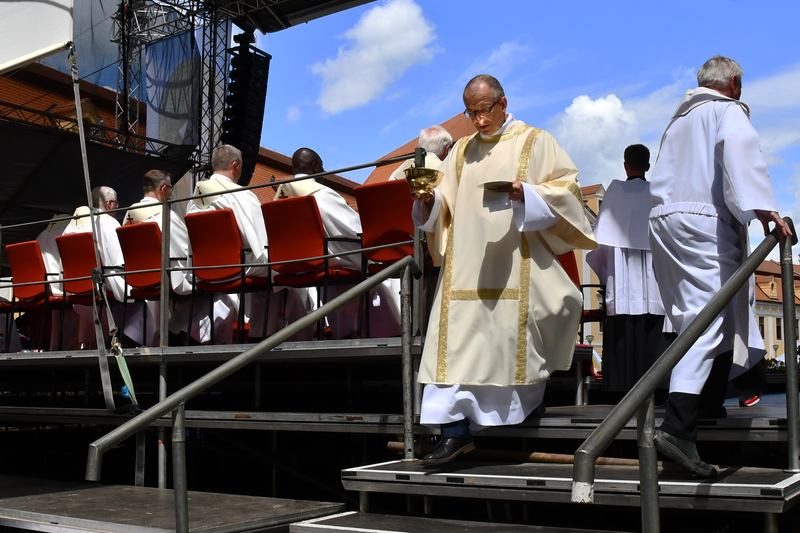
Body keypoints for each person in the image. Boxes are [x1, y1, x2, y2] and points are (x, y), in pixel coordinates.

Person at [412, 74, 596, 464]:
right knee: (454, 345)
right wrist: (428, 201)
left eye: (484, 111)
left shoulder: (535, 141)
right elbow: (442, 205)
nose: (479, 121)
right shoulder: (460, 151)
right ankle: (454, 430)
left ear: (503, 102)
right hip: (467, 266)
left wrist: (525, 193)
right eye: (471, 113)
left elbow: (570, 189)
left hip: (517, 259)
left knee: (514, 338)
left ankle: (516, 415)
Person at [648, 56, 792, 478]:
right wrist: (765, 209)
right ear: (733, 82)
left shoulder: (679, 119)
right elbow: (741, 154)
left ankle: (709, 401)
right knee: (707, 319)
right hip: (702, 223)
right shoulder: (725, 110)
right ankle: (678, 428)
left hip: (665, 222)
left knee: (698, 313)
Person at [273, 148, 401, 339]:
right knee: (383, 269)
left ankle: (342, 331)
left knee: (340, 259)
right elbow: (354, 229)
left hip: (294, 268)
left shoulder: (278, 198)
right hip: (326, 263)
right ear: (316, 166)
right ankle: (385, 334)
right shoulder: (321, 194)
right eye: (322, 167)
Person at [586, 144, 675, 401]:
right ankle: (657, 389)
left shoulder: (614, 192)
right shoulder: (658, 194)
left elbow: (600, 243)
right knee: (654, 325)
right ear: (648, 166)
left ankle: (619, 389)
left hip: (621, 279)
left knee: (623, 327)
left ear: (625, 164)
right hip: (653, 280)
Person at [123, 170, 193, 345]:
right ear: (163, 188)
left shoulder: (128, 215)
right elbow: (184, 250)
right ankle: (179, 336)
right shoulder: (164, 215)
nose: (170, 193)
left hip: (137, 280)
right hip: (161, 280)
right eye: (170, 188)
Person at [61, 186, 128, 346]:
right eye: (116, 206)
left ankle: (96, 343)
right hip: (101, 285)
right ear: (110, 204)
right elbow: (118, 259)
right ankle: (132, 339)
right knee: (146, 293)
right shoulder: (108, 222)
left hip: (78, 286)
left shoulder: (69, 227)